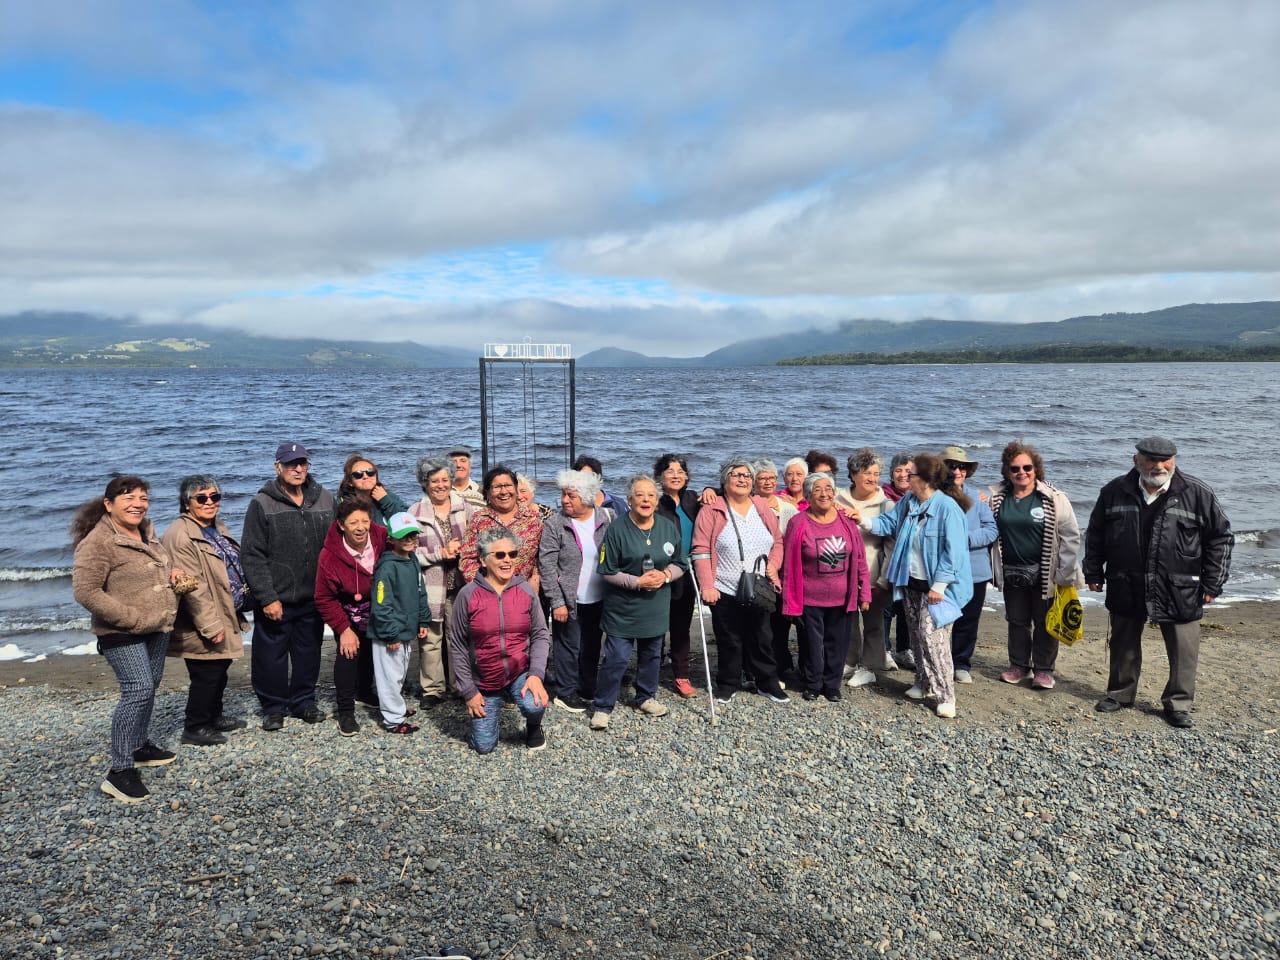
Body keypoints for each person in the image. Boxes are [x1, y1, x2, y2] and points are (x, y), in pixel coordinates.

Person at [1085, 437, 1233, 729]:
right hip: (1126, 580)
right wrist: (1092, 572)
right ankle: (1119, 694)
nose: (1158, 465)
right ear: (1136, 461)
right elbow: (1096, 534)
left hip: (1180, 585)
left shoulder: (1197, 492)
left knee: (1183, 649)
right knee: (1123, 642)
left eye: (1165, 460)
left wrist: (1213, 583)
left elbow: (1221, 537)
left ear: (1173, 461)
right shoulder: (1114, 491)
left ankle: (1178, 704)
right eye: (1151, 459)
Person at [72, 476, 179, 803]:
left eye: (143, 497)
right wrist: (129, 617)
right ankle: (119, 772)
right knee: (138, 689)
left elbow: (153, 567)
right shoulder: (98, 542)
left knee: (152, 683)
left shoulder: (146, 530)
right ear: (109, 504)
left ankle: (139, 745)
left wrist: (171, 574)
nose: (138, 503)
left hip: (157, 626)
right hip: (121, 630)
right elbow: (86, 591)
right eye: (128, 497)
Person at [861, 453, 972, 719]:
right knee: (917, 637)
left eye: (910, 474)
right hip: (911, 582)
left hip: (939, 588)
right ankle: (923, 683)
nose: (905, 478)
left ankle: (946, 695)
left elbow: (953, 551)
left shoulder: (947, 508)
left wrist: (940, 586)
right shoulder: (910, 502)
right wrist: (862, 521)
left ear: (923, 479)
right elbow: (889, 523)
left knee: (934, 640)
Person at [241, 442, 336, 731]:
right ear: (277, 467)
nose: (297, 469)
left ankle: (304, 702)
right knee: (270, 657)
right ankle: (273, 707)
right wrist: (267, 596)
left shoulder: (325, 499)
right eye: (291, 463)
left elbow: (333, 547)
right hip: (276, 598)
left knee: (308, 653)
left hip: (313, 597)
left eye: (302, 463)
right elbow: (252, 554)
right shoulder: (262, 503)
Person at [590, 475, 686, 730]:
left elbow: (680, 564)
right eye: (640, 495)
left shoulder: (667, 527)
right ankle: (603, 705)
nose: (646, 499)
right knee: (617, 658)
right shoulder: (617, 529)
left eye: (651, 495)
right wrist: (636, 582)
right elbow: (607, 570)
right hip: (622, 607)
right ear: (630, 500)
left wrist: (665, 576)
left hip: (656, 605)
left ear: (657, 500)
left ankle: (646, 696)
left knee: (652, 654)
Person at [161, 475, 250, 747]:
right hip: (203, 618)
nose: (210, 502)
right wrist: (210, 626)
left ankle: (214, 715)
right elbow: (192, 587)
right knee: (205, 673)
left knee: (219, 667)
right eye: (202, 498)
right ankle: (196, 726)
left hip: (224, 610)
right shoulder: (180, 534)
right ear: (187, 503)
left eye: (214, 497)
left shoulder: (213, 526)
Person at [692, 457, 788, 705]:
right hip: (724, 587)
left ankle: (767, 682)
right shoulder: (711, 509)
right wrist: (707, 585)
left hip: (759, 586)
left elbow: (777, 541)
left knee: (763, 637)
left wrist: (774, 568)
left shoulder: (761, 506)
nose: (743, 479)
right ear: (725, 480)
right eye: (737, 475)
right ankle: (728, 684)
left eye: (747, 475)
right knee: (729, 639)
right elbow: (701, 549)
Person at [989, 441, 1083, 691]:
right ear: (1007, 472)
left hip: (1046, 572)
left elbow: (1071, 536)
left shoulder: (1054, 497)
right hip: (1011, 572)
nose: (1022, 472)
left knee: (1045, 622)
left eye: (1027, 467)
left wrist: (1065, 572)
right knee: (1017, 621)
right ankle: (1019, 666)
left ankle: (1043, 670)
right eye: (1015, 468)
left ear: (1036, 468)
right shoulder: (996, 497)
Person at [449, 526, 550, 753]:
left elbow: (541, 634)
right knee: (484, 747)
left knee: (535, 704)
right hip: (484, 679)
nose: (507, 560)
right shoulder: (467, 595)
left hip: (518, 672)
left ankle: (534, 727)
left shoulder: (525, 590)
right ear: (483, 561)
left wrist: (536, 675)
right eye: (500, 555)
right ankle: (485, 722)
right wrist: (469, 691)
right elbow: (457, 645)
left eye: (512, 554)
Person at [782, 471, 871, 701]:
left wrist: (865, 592)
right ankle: (812, 684)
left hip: (842, 598)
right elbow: (789, 564)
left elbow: (860, 559)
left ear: (834, 493)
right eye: (817, 490)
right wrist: (789, 602)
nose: (824, 494)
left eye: (828, 489)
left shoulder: (847, 523)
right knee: (811, 645)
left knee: (838, 645)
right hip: (810, 599)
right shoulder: (798, 523)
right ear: (808, 497)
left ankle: (832, 685)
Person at [539, 469, 614, 713]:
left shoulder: (608, 517)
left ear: (587, 496)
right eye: (563, 494)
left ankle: (587, 686)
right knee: (568, 645)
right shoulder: (555, 523)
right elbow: (547, 565)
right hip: (569, 598)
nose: (564, 500)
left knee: (592, 644)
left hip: (600, 598)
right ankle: (566, 691)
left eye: (571, 495)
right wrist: (557, 601)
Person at [315, 498, 387, 736]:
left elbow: (405, 534)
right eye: (353, 522)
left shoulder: (381, 537)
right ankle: (345, 712)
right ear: (341, 525)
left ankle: (364, 692)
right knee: (348, 653)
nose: (360, 527)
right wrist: (343, 630)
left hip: (377, 607)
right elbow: (324, 598)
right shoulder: (329, 556)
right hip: (347, 611)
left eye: (365, 521)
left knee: (370, 651)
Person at [406, 456, 473, 709]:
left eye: (445, 480)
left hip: (461, 585)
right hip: (431, 587)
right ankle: (432, 689)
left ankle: (460, 685)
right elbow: (409, 554)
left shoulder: (465, 508)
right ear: (425, 483)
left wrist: (462, 549)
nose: (441, 485)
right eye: (435, 481)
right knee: (431, 639)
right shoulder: (415, 512)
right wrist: (439, 554)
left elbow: (478, 542)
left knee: (459, 637)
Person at [835, 448, 898, 687]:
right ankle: (850, 660)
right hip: (841, 575)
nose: (873, 478)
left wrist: (884, 580)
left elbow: (891, 547)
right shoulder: (836, 498)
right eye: (867, 473)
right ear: (853, 475)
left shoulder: (886, 506)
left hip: (873, 573)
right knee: (847, 620)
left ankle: (870, 667)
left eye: (877, 473)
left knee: (874, 622)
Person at [939, 446, 999, 685]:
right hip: (941, 571)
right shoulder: (933, 497)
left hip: (975, 570)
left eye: (962, 466)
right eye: (951, 465)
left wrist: (965, 539)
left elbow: (992, 530)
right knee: (940, 618)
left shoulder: (978, 498)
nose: (957, 470)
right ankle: (940, 661)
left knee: (968, 619)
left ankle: (961, 663)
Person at [369, 513, 431, 734]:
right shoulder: (386, 568)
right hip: (389, 633)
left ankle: (397, 707)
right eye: (404, 536)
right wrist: (390, 634)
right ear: (391, 538)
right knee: (389, 675)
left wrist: (423, 618)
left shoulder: (412, 560)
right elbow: (381, 604)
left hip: (406, 628)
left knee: (400, 671)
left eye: (413, 535)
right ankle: (393, 719)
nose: (410, 540)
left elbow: (420, 591)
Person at [654, 453, 702, 699]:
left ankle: (681, 675)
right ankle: (652, 671)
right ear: (660, 476)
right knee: (657, 624)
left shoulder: (693, 499)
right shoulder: (655, 502)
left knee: (681, 626)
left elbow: (723, 493)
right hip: (661, 572)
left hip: (688, 572)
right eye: (669, 471)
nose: (675, 475)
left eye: (680, 471)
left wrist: (709, 489)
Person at [753, 458, 801, 682]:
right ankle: (758, 667)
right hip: (757, 573)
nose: (768, 482)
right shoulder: (750, 505)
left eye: (772, 477)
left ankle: (782, 663)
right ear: (754, 481)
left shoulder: (788, 508)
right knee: (760, 623)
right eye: (762, 478)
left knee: (781, 622)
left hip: (783, 574)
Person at [459, 465, 544, 590]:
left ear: (515, 489)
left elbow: (542, 557)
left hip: (524, 591)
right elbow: (467, 560)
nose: (504, 492)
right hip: (487, 592)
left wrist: (535, 579)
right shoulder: (478, 520)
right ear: (487, 493)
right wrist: (484, 587)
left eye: (508, 486)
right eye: (497, 487)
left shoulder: (533, 519)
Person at [882, 452, 914, 667]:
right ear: (892, 474)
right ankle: (884, 650)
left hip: (912, 564)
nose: (903, 475)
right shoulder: (883, 497)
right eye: (898, 471)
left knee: (907, 609)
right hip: (888, 560)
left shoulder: (921, 496)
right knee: (886, 608)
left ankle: (905, 649)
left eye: (908, 471)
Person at [336, 453, 407, 525]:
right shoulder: (341, 502)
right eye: (358, 474)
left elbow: (408, 521)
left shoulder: (389, 497)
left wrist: (386, 501)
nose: (365, 476)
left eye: (370, 472)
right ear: (350, 482)